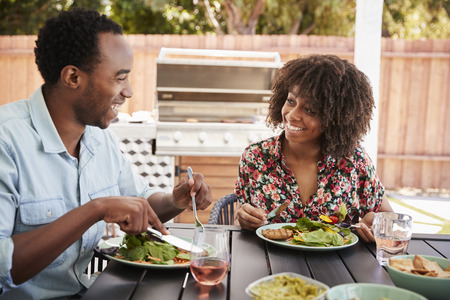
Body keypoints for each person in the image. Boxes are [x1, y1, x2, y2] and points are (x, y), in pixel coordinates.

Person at [0, 8, 211, 299]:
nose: (129, 91)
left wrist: (176, 199)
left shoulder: (99, 139)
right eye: (119, 78)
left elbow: (141, 202)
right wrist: (94, 210)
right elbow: (3, 267)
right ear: (73, 77)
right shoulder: (6, 141)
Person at [234, 54, 393, 243]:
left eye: (309, 110)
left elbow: (389, 219)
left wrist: (375, 224)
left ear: (335, 118)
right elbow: (240, 222)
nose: (292, 115)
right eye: (291, 101)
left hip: (336, 268)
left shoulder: (354, 161)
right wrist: (244, 220)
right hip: (271, 267)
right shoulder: (256, 157)